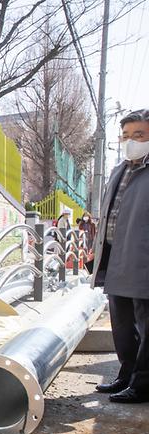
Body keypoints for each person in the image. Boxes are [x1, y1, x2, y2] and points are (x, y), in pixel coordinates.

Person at [91, 108, 149, 403]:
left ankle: (143, 384)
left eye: (139, 134)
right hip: (115, 257)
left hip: (142, 260)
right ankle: (126, 375)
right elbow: (107, 216)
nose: (131, 141)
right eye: (125, 135)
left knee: (146, 325)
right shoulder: (119, 170)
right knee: (123, 324)